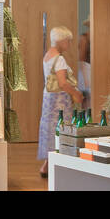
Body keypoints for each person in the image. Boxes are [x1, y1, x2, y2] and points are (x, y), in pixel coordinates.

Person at [37, 26, 83, 177]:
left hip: (48, 98)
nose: (69, 44)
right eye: (68, 41)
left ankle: (47, 165)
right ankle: (57, 165)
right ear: (61, 41)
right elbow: (63, 83)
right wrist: (76, 93)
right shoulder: (60, 59)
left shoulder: (47, 56)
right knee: (61, 128)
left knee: (50, 129)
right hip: (59, 100)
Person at [77, 20, 91, 108]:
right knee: (87, 100)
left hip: (89, 71)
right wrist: (85, 78)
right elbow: (81, 58)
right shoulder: (84, 38)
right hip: (86, 72)